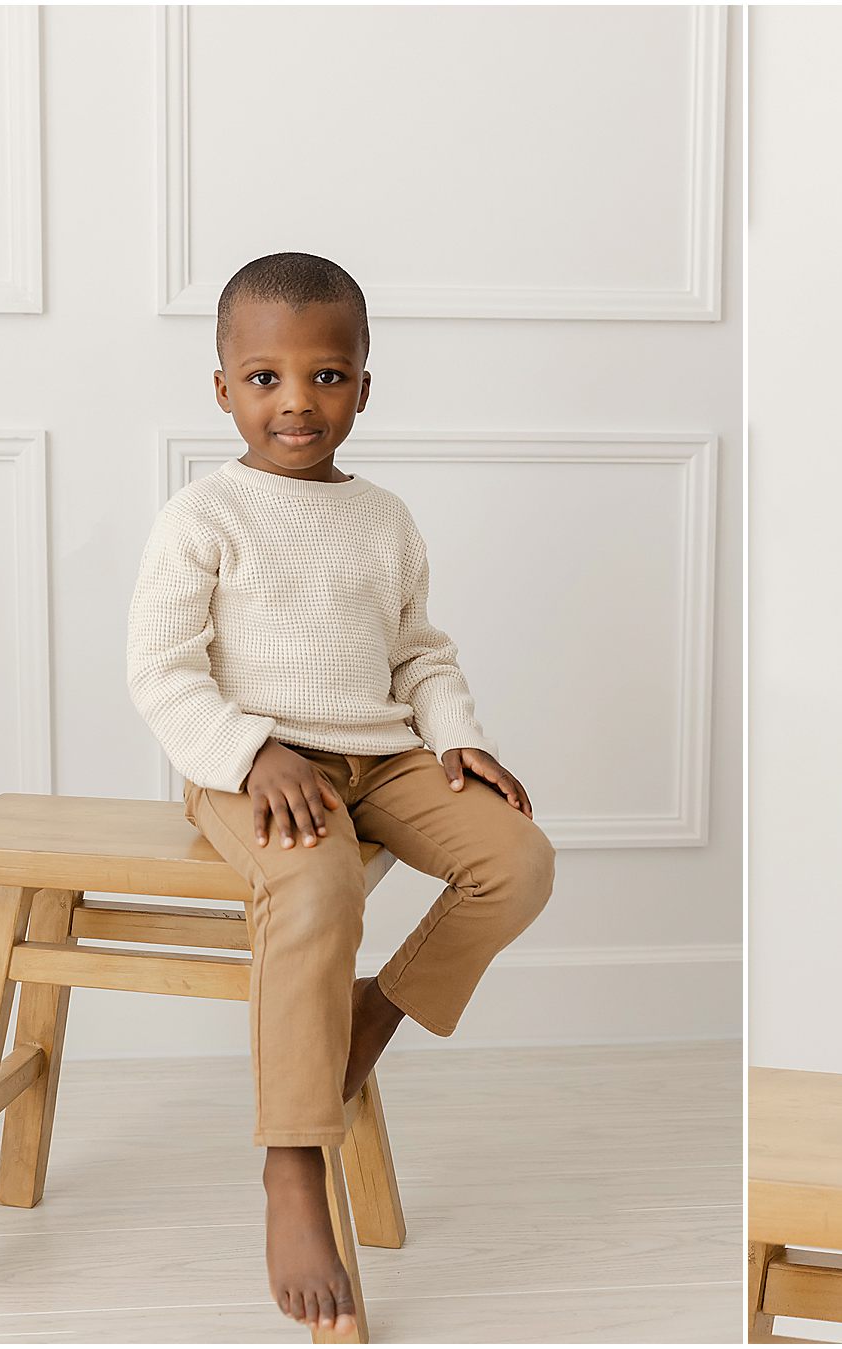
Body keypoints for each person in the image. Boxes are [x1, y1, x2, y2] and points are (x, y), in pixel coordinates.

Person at [126, 252, 555, 1335]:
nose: (297, 402)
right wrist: (249, 752)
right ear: (221, 388)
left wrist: (459, 738)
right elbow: (162, 672)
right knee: (318, 886)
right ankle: (293, 1163)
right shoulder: (202, 515)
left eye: (326, 376)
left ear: (365, 385)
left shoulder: (384, 518)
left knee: (517, 860)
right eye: (264, 378)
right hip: (256, 766)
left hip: (384, 755)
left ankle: (373, 1013)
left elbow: (418, 653)